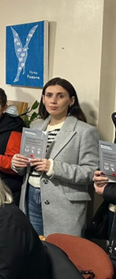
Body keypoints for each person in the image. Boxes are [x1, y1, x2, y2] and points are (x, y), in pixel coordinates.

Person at [11, 78, 98, 237]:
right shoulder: (35, 127)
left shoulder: (84, 131)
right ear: (43, 99)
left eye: (60, 96)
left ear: (71, 100)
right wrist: (18, 163)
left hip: (64, 202)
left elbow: (91, 172)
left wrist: (53, 167)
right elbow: (27, 164)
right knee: (36, 248)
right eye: (49, 95)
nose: (53, 100)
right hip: (31, 195)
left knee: (62, 253)